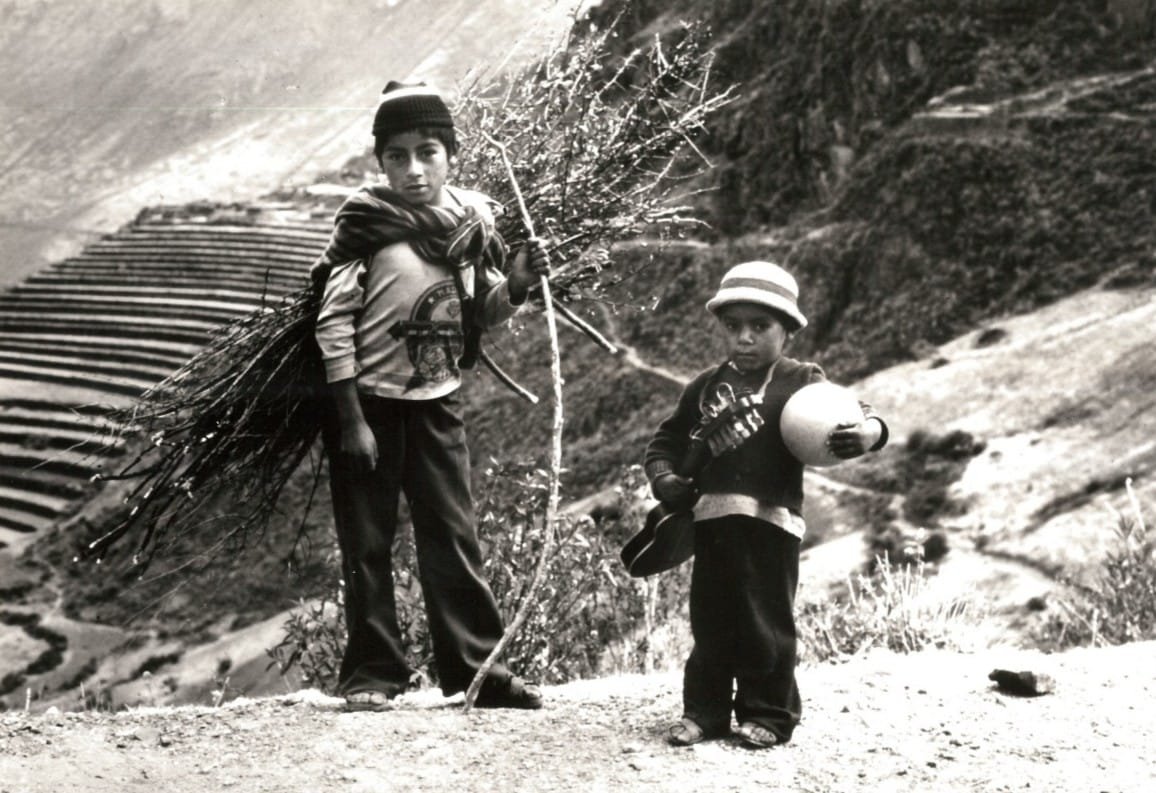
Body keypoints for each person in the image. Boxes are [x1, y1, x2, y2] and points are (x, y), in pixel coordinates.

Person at [312, 82, 549, 711]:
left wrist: (517, 287)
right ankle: (372, 674)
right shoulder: (366, 227)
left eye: (428, 152)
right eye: (397, 156)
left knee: (452, 535)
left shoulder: (472, 224)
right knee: (367, 543)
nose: (413, 170)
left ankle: (477, 674)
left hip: (438, 403)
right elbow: (333, 324)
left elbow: (481, 311)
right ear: (380, 162)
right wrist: (352, 421)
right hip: (370, 407)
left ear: (451, 153)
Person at [643, 260, 889, 748]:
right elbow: (663, 442)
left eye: (761, 326)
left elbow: (864, 417)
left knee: (767, 621)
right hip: (712, 523)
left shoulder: (803, 380)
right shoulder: (705, 386)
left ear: (789, 333)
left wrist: (868, 434)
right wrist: (664, 478)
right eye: (733, 327)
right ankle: (705, 712)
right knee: (711, 619)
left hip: (774, 526)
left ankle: (771, 714)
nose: (745, 338)